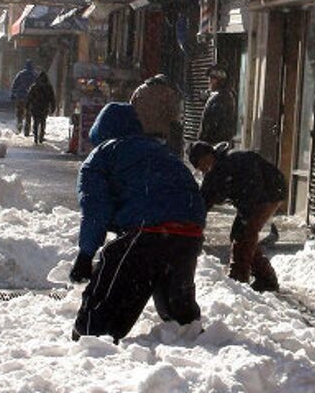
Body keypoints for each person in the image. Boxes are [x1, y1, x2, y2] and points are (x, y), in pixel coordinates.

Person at [69, 78, 206, 343]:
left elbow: (95, 209)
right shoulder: (161, 151)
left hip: (149, 227)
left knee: (114, 285)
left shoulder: (101, 155)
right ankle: (188, 332)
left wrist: (85, 255)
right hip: (190, 227)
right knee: (175, 300)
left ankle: (90, 339)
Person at [188, 140, 285, 292]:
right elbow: (204, 200)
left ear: (208, 155)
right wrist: (193, 222)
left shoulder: (237, 160)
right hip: (251, 200)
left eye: (201, 163)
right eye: (198, 167)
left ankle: (242, 279)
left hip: (270, 192)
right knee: (239, 235)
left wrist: (246, 215)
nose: (202, 169)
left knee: (246, 235)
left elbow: (255, 185)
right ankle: (264, 278)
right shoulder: (214, 174)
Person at [197, 65, 236, 145]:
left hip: (215, 143)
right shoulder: (217, 95)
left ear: (220, 81)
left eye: (212, 79)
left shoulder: (223, 97)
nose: (209, 82)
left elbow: (212, 123)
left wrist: (204, 140)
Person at [26, 71, 56, 144]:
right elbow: (52, 98)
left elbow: (29, 97)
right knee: (43, 122)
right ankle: (41, 137)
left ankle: (36, 136)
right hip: (44, 107)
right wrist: (53, 108)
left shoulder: (34, 86)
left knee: (36, 122)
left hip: (35, 106)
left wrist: (27, 106)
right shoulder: (48, 87)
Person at [10, 60, 36, 135]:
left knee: (19, 112)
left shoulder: (21, 74)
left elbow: (15, 84)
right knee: (28, 114)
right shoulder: (34, 75)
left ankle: (19, 126)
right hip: (30, 98)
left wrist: (13, 93)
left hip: (20, 96)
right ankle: (27, 131)